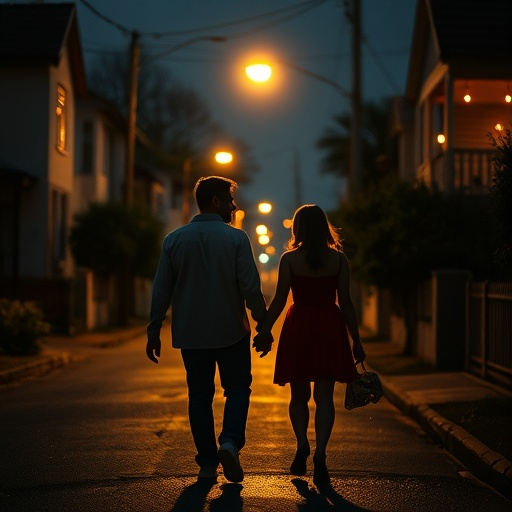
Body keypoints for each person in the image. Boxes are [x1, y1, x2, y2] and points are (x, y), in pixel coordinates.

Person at [146, 176, 272, 482]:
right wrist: (262, 324)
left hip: (191, 333)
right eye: (230, 200)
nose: (234, 206)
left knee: (199, 395)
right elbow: (250, 287)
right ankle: (229, 442)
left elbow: (162, 289)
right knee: (238, 388)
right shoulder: (236, 239)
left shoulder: (174, 240)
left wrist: (153, 329)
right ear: (215, 201)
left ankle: (206, 460)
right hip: (231, 330)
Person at [252, 204, 366, 486]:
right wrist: (356, 341)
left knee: (298, 394)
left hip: (299, 324)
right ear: (324, 226)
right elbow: (347, 302)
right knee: (324, 397)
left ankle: (302, 442)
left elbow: (279, 300)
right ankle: (321, 455)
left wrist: (265, 328)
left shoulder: (290, 259)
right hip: (330, 323)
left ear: (298, 228)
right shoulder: (338, 260)